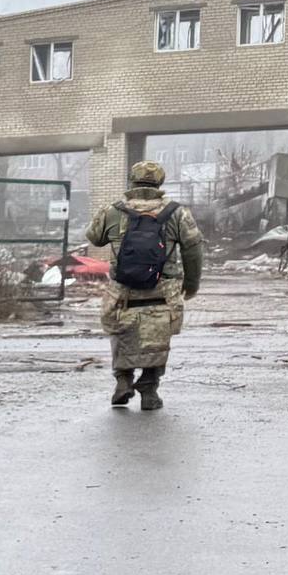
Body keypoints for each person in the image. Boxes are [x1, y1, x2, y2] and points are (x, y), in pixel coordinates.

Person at [84, 162, 204, 411]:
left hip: (122, 288)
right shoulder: (177, 213)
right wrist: (191, 284)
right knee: (158, 336)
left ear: (132, 181)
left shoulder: (114, 210)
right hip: (163, 288)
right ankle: (149, 390)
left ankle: (123, 380)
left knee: (121, 331)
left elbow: (94, 236)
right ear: (160, 182)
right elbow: (193, 250)